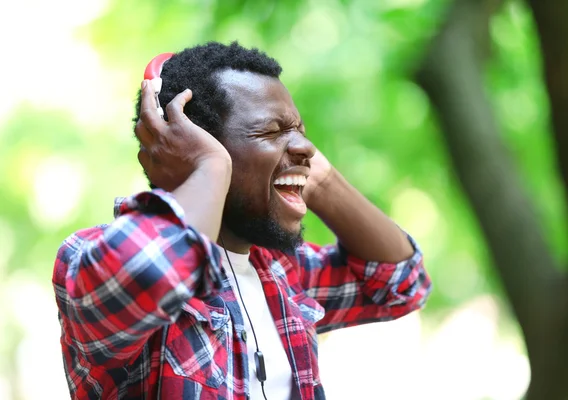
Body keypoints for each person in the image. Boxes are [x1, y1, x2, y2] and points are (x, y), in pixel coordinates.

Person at [52, 41, 432, 400]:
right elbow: (152, 271)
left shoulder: (282, 271)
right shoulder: (85, 256)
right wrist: (211, 166)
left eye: (298, 131)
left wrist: (319, 180)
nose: (306, 147)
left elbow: (402, 284)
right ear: (188, 144)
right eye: (271, 131)